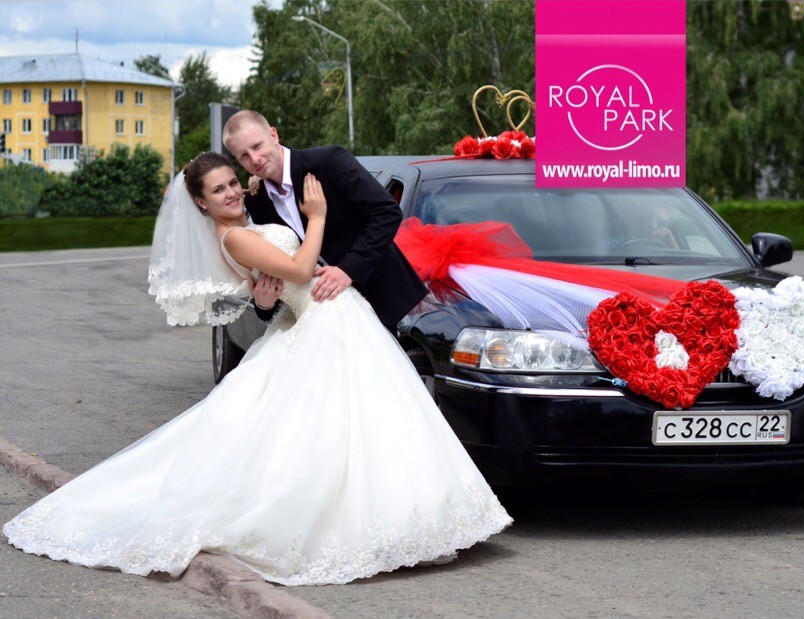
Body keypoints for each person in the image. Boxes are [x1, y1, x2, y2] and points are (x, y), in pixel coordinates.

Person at [2, 152, 512, 586]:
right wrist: (317, 217)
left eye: (232, 183)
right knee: (339, 429)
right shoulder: (233, 238)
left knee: (362, 424)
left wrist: (265, 262)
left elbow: (274, 279)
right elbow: (299, 269)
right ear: (200, 203)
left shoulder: (246, 220)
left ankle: (406, 517)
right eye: (217, 190)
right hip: (322, 319)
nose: (231, 193)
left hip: (329, 318)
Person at [222, 109, 427, 331]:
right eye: (243, 156)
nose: (254, 159)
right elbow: (276, 273)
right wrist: (264, 306)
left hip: (382, 304)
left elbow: (386, 212)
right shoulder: (257, 201)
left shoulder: (328, 161)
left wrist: (348, 269)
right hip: (318, 323)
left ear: (273, 135)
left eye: (257, 146)